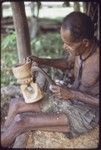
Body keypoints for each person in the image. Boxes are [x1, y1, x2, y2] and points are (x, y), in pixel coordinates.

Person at [1, 11, 99, 147]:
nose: (65, 47)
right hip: (69, 100)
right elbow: (68, 63)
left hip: (85, 113)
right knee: (15, 104)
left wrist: (72, 93)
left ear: (85, 42)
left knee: (21, 121)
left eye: (69, 44)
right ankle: (6, 138)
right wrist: (41, 61)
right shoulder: (79, 51)